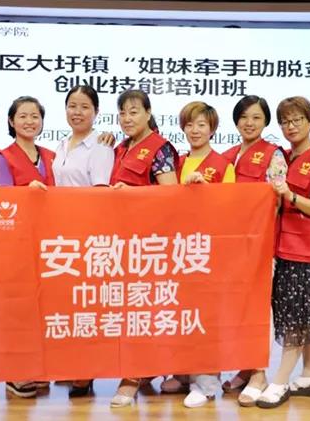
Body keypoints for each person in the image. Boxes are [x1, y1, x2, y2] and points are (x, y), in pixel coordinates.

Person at [253, 96, 310, 409]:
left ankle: (279, 381)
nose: (291, 126)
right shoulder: (282, 158)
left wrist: (291, 196)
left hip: (308, 252)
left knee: (296, 320)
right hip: (284, 248)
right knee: (300, 315)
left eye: (297, 120)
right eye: (285, 121)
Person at [108, 89, 178, 408]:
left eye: (134, 111)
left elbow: (171, 196)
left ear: (148, 113)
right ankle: (145, 368)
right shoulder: (120, 148)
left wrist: (133, 196)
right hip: (120, 241)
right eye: (122, 112)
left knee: (140, 311)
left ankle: (132, 377)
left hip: (148, 244)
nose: (127, 118)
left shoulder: (160, 148)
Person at [170, 101, 236, 409]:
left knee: (205, 316)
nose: (194, 130)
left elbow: (230, 210)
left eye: (201, 125)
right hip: (177, 249)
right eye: (189, 124)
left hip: (208, 251)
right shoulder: (177, 162)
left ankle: (206, 383)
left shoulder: (223, 165)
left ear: (212, 129)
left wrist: (205, 190)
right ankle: (184, 373)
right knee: (182, 313)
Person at [52, 85, 114, 398]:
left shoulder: (100, 147)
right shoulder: (62, 144)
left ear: (96, 112)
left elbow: (100, 196)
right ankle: (72, 364)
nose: (77, 112)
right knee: (69, 304)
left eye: (85, 107)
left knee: (88, 305)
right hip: (61, 235)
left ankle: (85, 372)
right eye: (72, 106)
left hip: (88, 236)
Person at [0, 95, 54, 398]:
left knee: (42, 309)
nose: (30, 121)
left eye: (35, 116)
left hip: (50, 245)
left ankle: (37, 368)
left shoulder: (52, 156)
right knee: (17, 310)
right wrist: (23, 192)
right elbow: (0, 199)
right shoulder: (3, 158)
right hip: (15, 245)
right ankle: (15, 373)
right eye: (23, 116)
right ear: (11, 121)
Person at [219, 95, 280, 400]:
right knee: (237, 309)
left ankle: (259, 373)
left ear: (265, 121)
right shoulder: (226, 156)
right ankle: (244, 368)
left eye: (256, 117)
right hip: (230, 246)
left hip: (260, 244)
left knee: (258, 308)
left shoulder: (273, 154)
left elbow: (277, 201)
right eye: (244, 117)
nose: (249, 123)